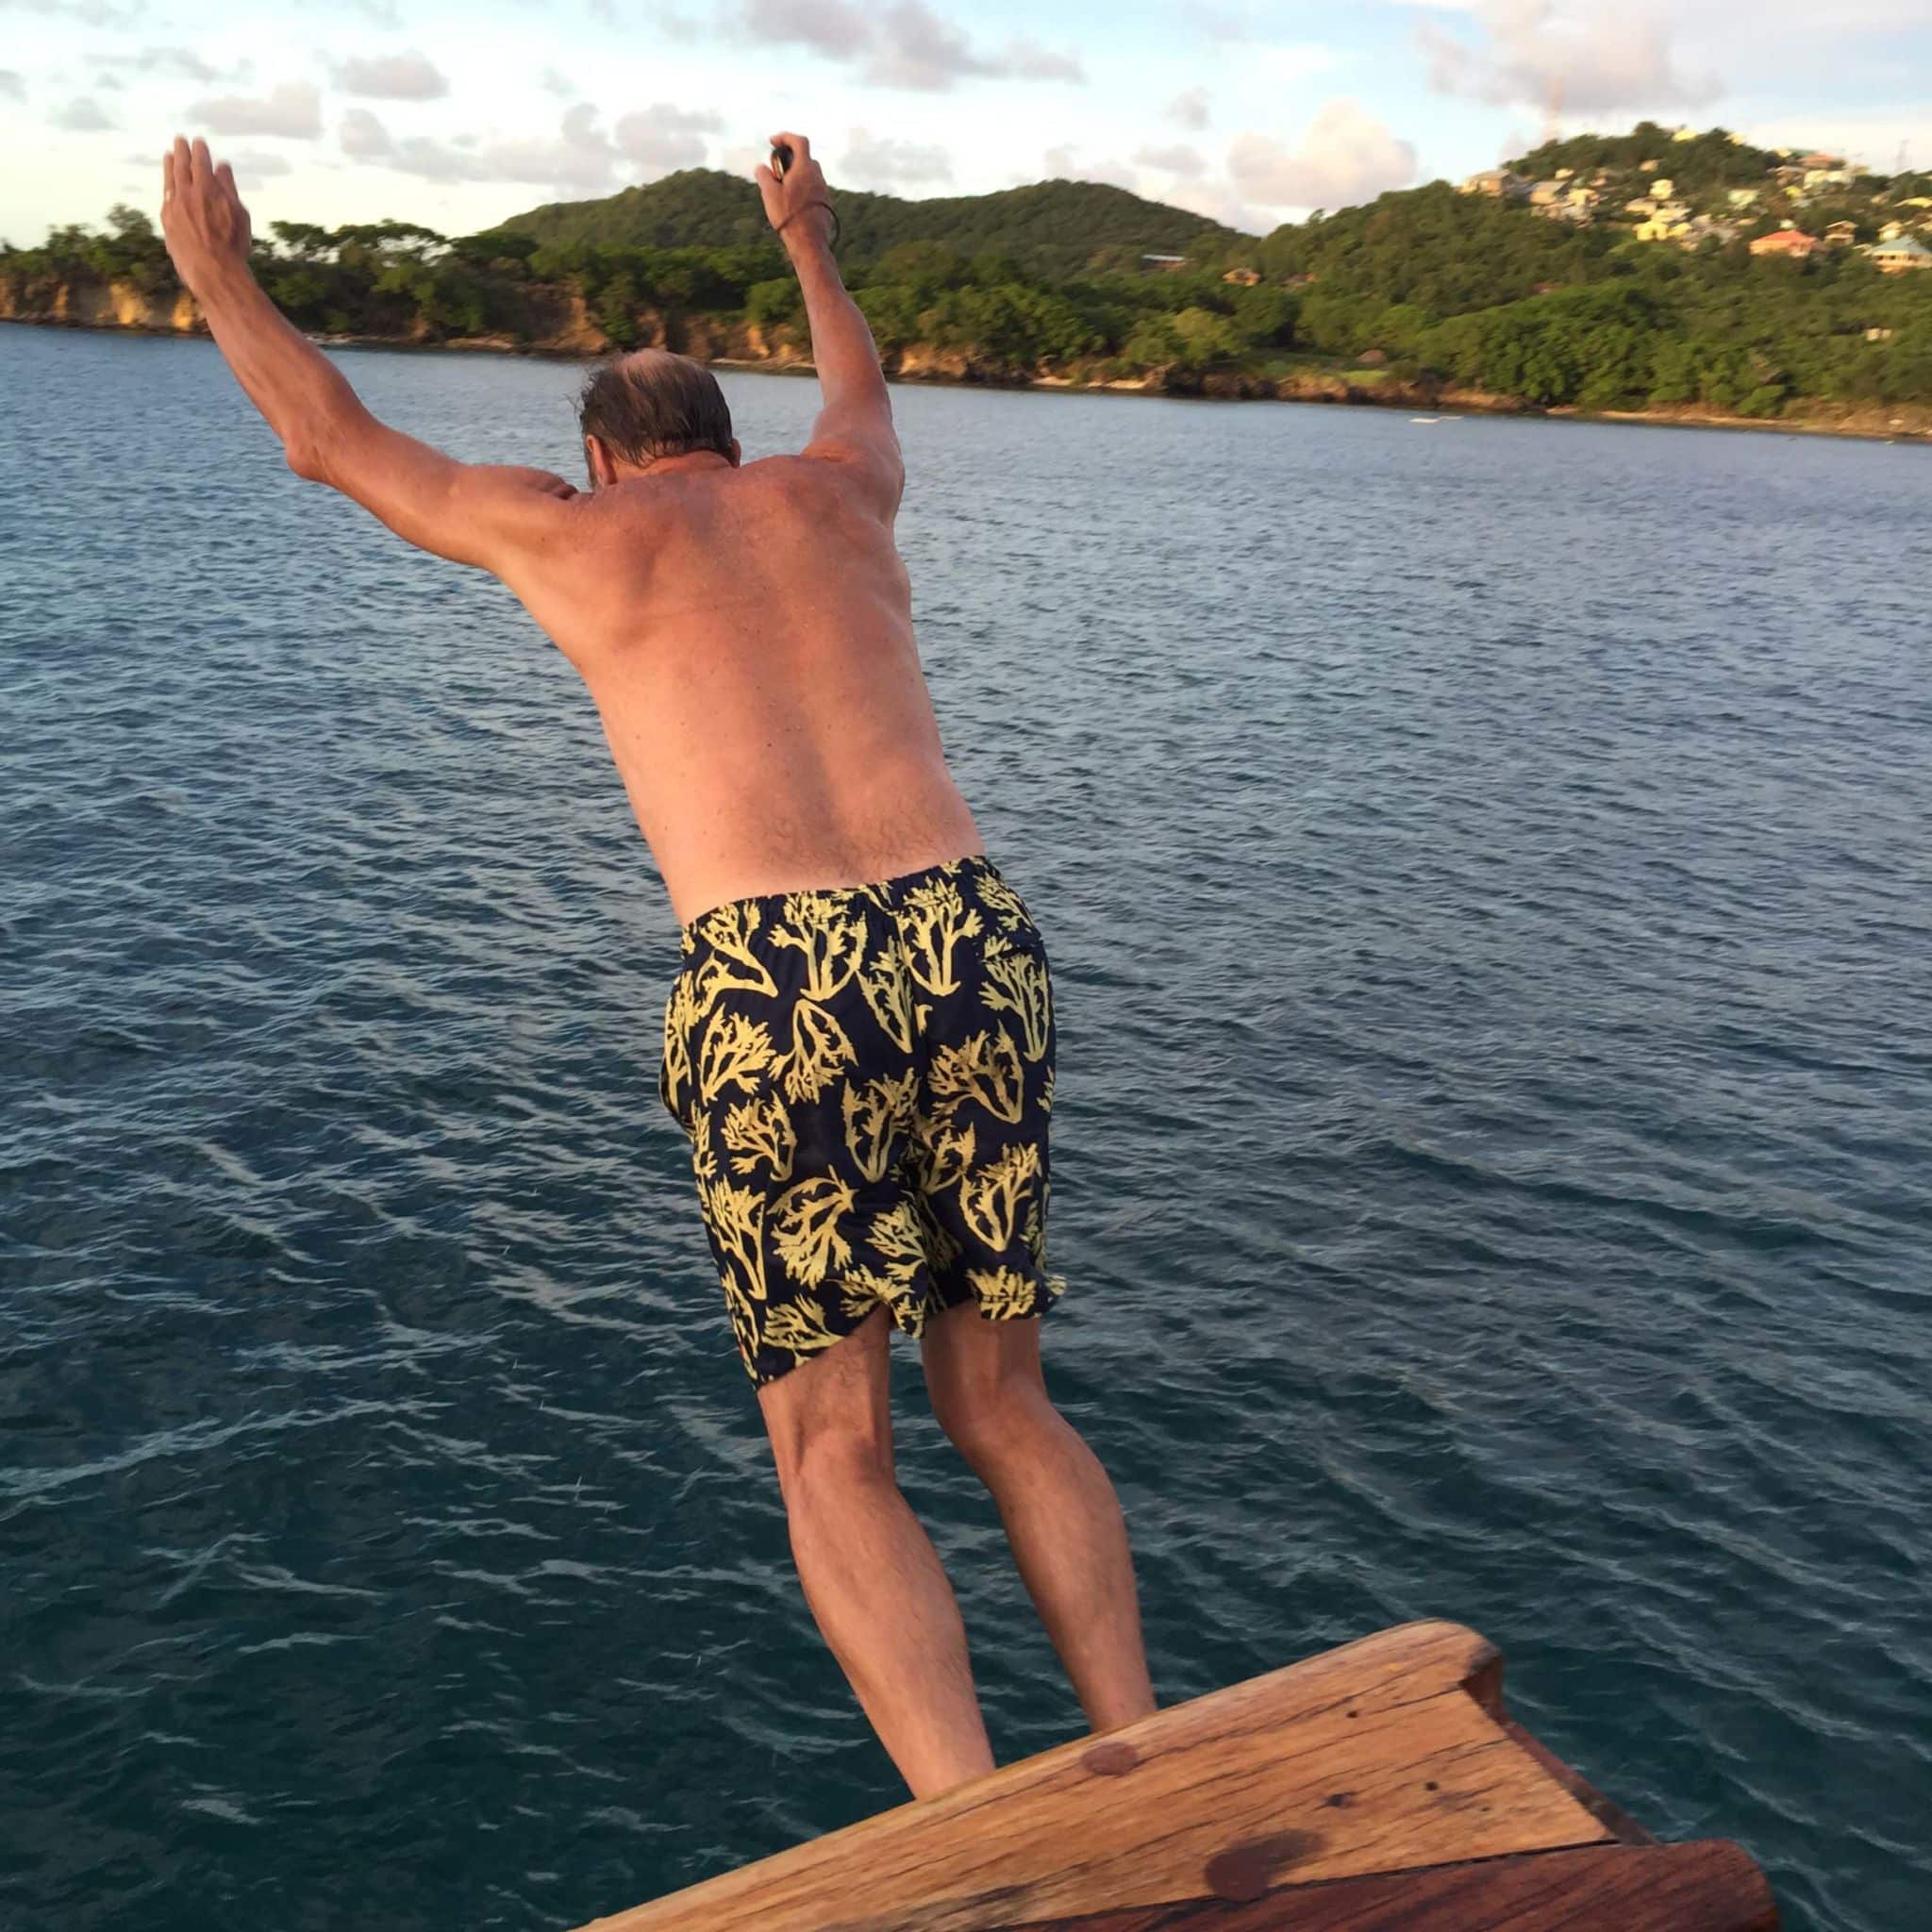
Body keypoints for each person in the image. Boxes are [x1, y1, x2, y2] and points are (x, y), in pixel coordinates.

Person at [159, 127, 1156, 1799]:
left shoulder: (569, 534)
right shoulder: (838, 488)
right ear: (719, 440)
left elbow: (325, 436)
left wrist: (213, 271)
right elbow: (864, 383)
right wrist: (810, 239)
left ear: (606, 464)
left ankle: (976, 1826)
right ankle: (1147, 1743)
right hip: (968, 931)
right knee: (1003, 1397)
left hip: (779, 978)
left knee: (835, 1447)